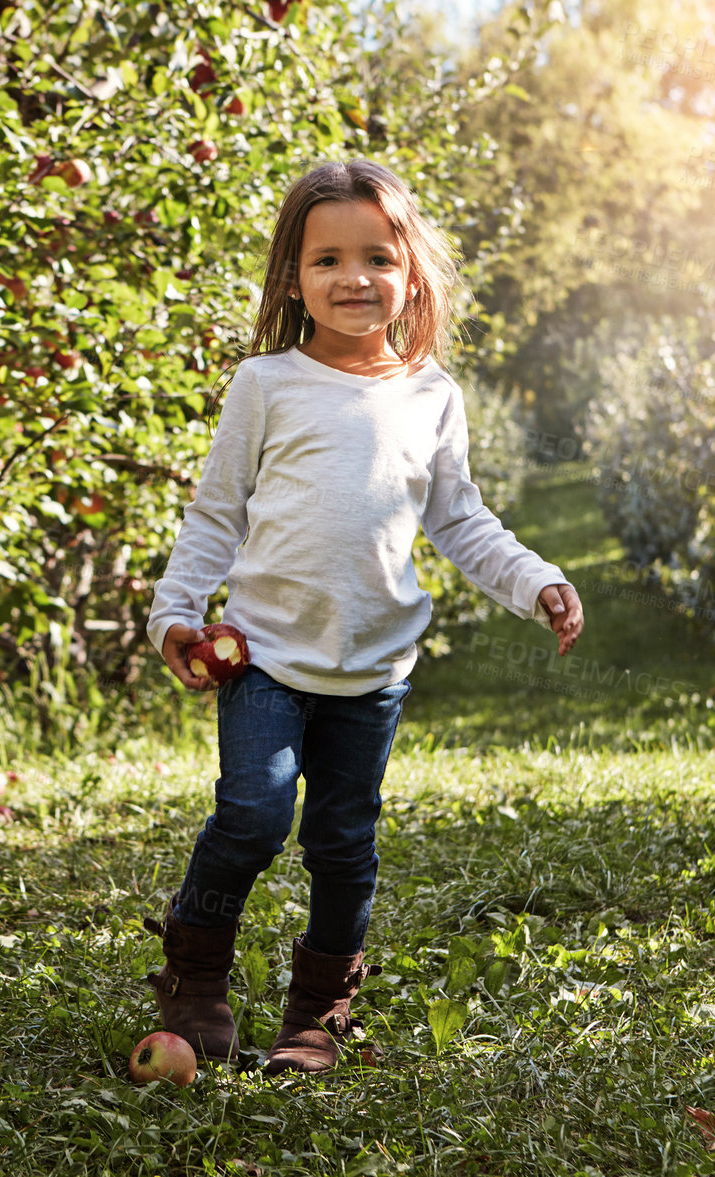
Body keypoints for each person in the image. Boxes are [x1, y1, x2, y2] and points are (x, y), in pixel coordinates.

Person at [142, 159, 584, 1076]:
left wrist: (535, 579)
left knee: (343, 840)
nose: (354, 278)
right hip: (261, 655)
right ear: (294, 278)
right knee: (254, 815)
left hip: (372, 670)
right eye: (328, 259)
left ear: (411, 270)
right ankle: (196, 980)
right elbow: (216, 512)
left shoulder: (430, 394)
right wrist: (176, 614)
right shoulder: (266, 384)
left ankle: (316, 1011)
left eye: (377, 257)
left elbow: (461, 518)